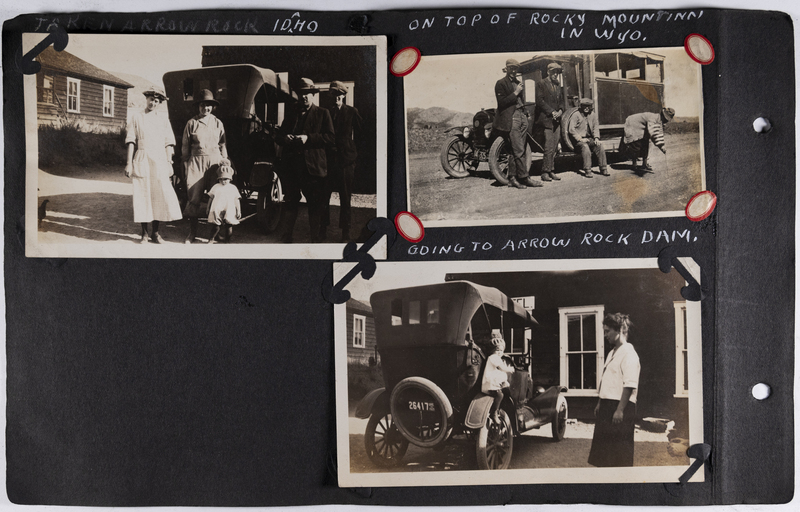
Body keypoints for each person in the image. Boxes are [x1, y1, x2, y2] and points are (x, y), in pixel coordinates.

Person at [276, 77, 335, 243]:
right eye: (302, 94)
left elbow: (330, 138)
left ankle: (315, 238)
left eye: (308, 94)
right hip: (292, 167)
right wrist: (285, 138)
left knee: (315, 204)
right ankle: (287, 235)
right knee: (291, 201)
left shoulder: (323, 113)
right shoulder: (292, 113)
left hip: (313, 168)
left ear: (313, 95)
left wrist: (308, 138)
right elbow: (279, 136)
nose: (304, 97)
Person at [124, 86, 182, 243]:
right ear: (146, 99)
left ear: (160, 103)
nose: (153, 103)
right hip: (142, 157)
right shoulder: (137, 117)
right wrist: (129, 163)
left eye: (156, 101)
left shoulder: (163, 119)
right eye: (151, 99)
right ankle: (144, 233)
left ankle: (156, 233)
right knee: (143, 195)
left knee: (158, 195)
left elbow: (169, 143)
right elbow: (131, 141)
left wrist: (169, 161)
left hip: (159, 159)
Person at [588, 313, 641, 467]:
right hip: (607, 405)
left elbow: (630, 384)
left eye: (607, 331)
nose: (605, 335)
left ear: (618, 330)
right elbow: (607, 380)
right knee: (604, 454)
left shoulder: (629, 354)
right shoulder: (612, 353)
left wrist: (619, 410)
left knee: (619, 454)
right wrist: (600, 402)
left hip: (620, 407)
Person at [181, 89, 228, 244]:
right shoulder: (191, 123)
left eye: (208, 105)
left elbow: (222, 144)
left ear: (212, 107)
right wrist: (186, 163)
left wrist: (225, 161)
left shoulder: (217, 123)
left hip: (215, 162)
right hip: (196, 161)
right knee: (194, 197)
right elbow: (185, 146)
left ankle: (215, 234)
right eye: (202, 105)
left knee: (217, 196)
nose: (205, 108)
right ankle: (192, 233)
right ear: (198, 106)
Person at [321, 80, 363, 242]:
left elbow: (362, 136)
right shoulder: (325, 113)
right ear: (330, 96)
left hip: (345, 162)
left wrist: (353, 156)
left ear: (344, 96)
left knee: (345, 198)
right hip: (328, 162)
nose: (336, 98)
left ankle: (345, 232)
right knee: (324, 197)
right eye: (333, 95)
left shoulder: (352, 112)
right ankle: (322, 230)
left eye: (339, 95)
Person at [495, 58, 541, 190]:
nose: (514, 71)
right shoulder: (501, 83)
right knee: (519, 149)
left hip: (521, 116)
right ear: (507, 68)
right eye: (511, 68)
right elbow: (502, 103)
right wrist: (515, 92)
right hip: (512, 117)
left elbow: (520, 101)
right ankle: (524, 178)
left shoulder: (518, 83)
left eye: (516, 69)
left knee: (516, 149)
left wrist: (526, 112)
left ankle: (512, 178)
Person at [534, 62, 567, 182]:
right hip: (546, 120)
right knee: (548, 147)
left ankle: (551, 170)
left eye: (557, 72)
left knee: (554, 147)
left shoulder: (558, 86)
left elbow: (562, 102)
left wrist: (560, 110)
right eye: (553, 72)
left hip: (556, 121)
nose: (555, 74)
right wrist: (552, 112)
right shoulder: (541, 84)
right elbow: (540, 101)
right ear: (548, 72)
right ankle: (544, 172)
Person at [619, 107, 675, 172]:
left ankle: (644, 164)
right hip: (633, 124)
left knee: (645, 144)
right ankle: (634, 165)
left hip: (642, 127)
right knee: (636, 145)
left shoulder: (658, 119)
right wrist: (662, 147)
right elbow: (654, 134)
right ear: (662, 116)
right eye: (666, 119)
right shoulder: (653, 118)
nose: (666, 121)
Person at [565, 98, 609, 177]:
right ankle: (587, 170)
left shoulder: (593, 114)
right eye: (584, 106)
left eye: (588, 106)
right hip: (578, 140)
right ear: (581, 106)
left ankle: (603, 168)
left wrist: (596, 138)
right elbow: (571, 129)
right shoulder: (576, 115)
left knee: (600, 146)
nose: (586, 108)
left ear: (591, 107)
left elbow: (596, 127)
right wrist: (580, 139)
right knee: (585, 147)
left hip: (589, 139)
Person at [481, 332, 515, 424]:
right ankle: (494, 412)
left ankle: (499, 409)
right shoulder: (493, 357)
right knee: (500, 395)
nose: (499, 352)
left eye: (501, 350)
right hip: (490, 383)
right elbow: (502, 368)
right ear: (493, 350)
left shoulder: (497, 358)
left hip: (494, 382)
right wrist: (510, 369)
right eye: (497, 350)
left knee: (503, 392)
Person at [205, 163, 241, 244]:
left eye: (226, 179)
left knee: (229, 226)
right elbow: (211, 198)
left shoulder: (233, 188)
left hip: (229, 209)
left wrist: (238, 210)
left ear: (230, 179)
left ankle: (227, 240)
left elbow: (236, 200)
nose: (223, 181)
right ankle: (211, 239)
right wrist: (208, 208)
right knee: (216, 226)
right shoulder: (216, 187)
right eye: (221, 179)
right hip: (217, 208)